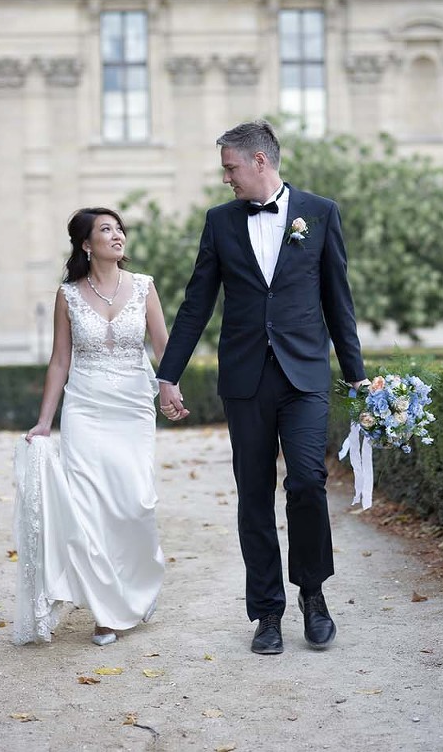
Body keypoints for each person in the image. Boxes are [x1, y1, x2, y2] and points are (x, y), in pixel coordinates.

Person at [156, 120, 368, 655]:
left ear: (258, 162)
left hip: (304, 377)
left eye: (230, 167)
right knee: (254, 495)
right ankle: (267, 613)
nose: (225, 178)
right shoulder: (220, 222)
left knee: (306, 483)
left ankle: (313, 596)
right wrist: (168, 372)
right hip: (245, 379)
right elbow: (197, 303)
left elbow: (338, 302)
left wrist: (357, 376)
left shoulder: (320, 213)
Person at [18, 208, 168, 646]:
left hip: (133, 406)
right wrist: (45, 422)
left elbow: (164, 348)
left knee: (135, 501)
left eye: (119, 228)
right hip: (84, 406)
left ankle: (138, 583)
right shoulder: (68, 295)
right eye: (106, 229)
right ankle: (106, 613)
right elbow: (60, 361)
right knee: (88, 508)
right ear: (86, 244)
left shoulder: (143, 287)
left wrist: (171, 391)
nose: (117, 234)